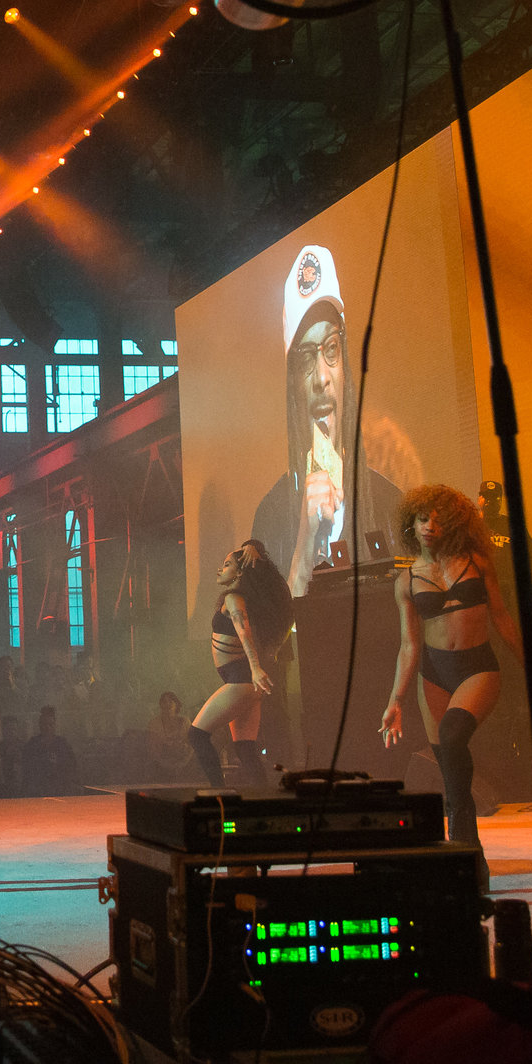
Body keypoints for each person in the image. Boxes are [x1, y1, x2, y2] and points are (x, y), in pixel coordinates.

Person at [380, 484, 523, 881]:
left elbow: (503, 618)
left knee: (454, 735)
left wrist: (531, 669)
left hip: (478, 666)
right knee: (449, 769)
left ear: (454, 525)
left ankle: (466, 850)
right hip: (434, 672)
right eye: (422, 518)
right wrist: (396, 701)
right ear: (411, 523)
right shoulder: (406, 582)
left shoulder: (477, 561)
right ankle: (468, 853)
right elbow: (408, 645)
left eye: (438, 520)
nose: (429, 526)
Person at [250, 245, 407, 601]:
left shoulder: (390, 504)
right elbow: (273, 648)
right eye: (306, 358)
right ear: (292, 385)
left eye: (331, 349)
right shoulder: (271, 516)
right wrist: (305, 541)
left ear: (345, 368)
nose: (321, 377)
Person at [186, 540, 289, 787]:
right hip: (243, 681)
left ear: (240, 572)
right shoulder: (237, 598)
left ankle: (219, 794)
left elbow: (244, 633)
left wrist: (255, 669)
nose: (220, 569)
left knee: (196, 735)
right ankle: (264, 799)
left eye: (227, 565)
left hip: (242, 680)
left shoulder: (234, 598)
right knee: (245, 748)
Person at [18, 705, 80, 796]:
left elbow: (71, 766)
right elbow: (27, 769)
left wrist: (57, 765)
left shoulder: (63, 744)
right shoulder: (32, 744)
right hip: (38, 789)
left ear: (55, 725)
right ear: (39, 725)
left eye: (50, 724)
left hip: (60, 787)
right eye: (44, 724)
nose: (47, 727)